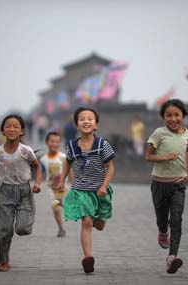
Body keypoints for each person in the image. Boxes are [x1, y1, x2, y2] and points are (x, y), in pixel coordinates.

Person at [0, 114, 42, 272]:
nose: (11, 129)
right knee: (4, 230)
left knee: (22, 229)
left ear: (21, 131)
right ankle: (4, 261)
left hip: (24, 191)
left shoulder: (26, 151)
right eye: (8, 127)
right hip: (5, 192)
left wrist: (38, 183)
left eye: (15, 127)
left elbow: (38, 166)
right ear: (3, 131)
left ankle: (26, 221)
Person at [57, 107, 115, 274]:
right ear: (77, 125)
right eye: (82, 119)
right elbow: (68, 163)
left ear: (96, 124)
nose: (86, 121)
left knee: (100, 224)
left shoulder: (103, 145)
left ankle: (99, 219)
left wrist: (104, 186)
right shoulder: (72, 146)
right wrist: (62, 180)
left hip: (100, 191)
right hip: (81, 190)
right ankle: (87, 257)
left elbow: (110, 168)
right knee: (87, 222)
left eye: (90, 118)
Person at [145, 99, 188, 274]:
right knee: (162, 218)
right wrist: (165, 157)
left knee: (176, 219)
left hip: (178, 185)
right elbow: (149, 156)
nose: (173, 119)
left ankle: (172, 256)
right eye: (169, 115)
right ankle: (162, 230)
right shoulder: (159, 133)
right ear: (163, 117)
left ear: (183, 116)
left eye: (177, 115)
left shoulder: (186, 133)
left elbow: (182, 156)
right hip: (159, 184)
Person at [39, 131, 70, 238]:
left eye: (57, 142)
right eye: (52, 141)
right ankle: (61, 228)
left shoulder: (64, 157)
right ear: (47, 142)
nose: (54, 144)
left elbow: (70, 171)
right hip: (51, 188)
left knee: (64, 206)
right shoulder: (43, 159)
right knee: (56, 209)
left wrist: (74, 184)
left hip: (64, 187)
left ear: (60, 143)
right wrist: (37, 183)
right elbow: (41, 173)